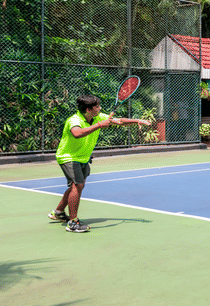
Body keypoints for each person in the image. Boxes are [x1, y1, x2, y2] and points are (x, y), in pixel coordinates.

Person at [48, 94, 151, 232]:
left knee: (77, 186)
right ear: (89, 109)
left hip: (83, 157)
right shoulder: (74, 120)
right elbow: (77, 133)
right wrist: (99, 125)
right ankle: (73, 223)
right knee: (77, 185)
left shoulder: (97, 117)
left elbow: (119, 121)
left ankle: (59, 212)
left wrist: (137, 120)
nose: (100, 108)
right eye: (97, 106)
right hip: (68, 157)